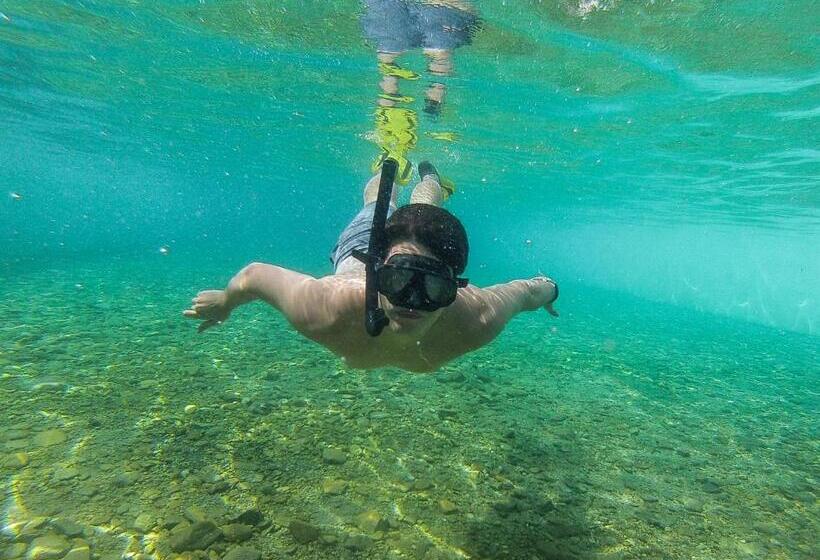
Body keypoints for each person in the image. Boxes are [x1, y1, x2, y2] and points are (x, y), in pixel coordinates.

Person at [184, 162, 559, 373]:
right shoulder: (325, 308)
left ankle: (429, 178)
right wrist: (225, 301)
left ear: (455, 289)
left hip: (399, 248)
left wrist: (550, 289)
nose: (411, 301)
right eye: (398, 279)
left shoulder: (477, 319)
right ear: (377, 272)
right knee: (374, 205)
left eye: (432, 288)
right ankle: (390, 165)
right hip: (362, 245)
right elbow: (252, 276)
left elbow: (527, 291)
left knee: (429, 210)